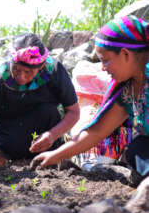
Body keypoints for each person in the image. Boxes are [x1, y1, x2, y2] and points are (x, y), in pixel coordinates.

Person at [32, 16, 149, 179]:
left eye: (105, 60)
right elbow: (97, 132)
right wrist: (56, 155)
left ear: (125, 54)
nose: (102, 67)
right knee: (138, 149)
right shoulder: (127, 91)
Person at [0, 33, 80, 166]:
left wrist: (52, 135)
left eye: (28, 72)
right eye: (16, 69)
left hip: (45, 130)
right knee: (9, 143)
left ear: (40, 67)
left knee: (48, 111)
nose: (21, 77)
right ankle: (4, 152)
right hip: (7, 127)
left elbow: (74, 112)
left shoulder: (54, 71)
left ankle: (50, 150)